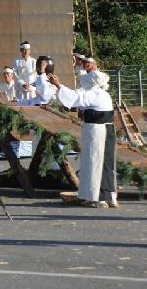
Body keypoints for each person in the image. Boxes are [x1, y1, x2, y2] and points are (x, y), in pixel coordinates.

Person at [48, 70, 117, 208]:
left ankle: (100, 198)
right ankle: (109, 197)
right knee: (105, 164)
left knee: (96, 164)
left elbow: (74, 98)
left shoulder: (94, 94)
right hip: (105, 132)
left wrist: (58, 85)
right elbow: (79, 99)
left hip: (97, 133)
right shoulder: (103, 94)